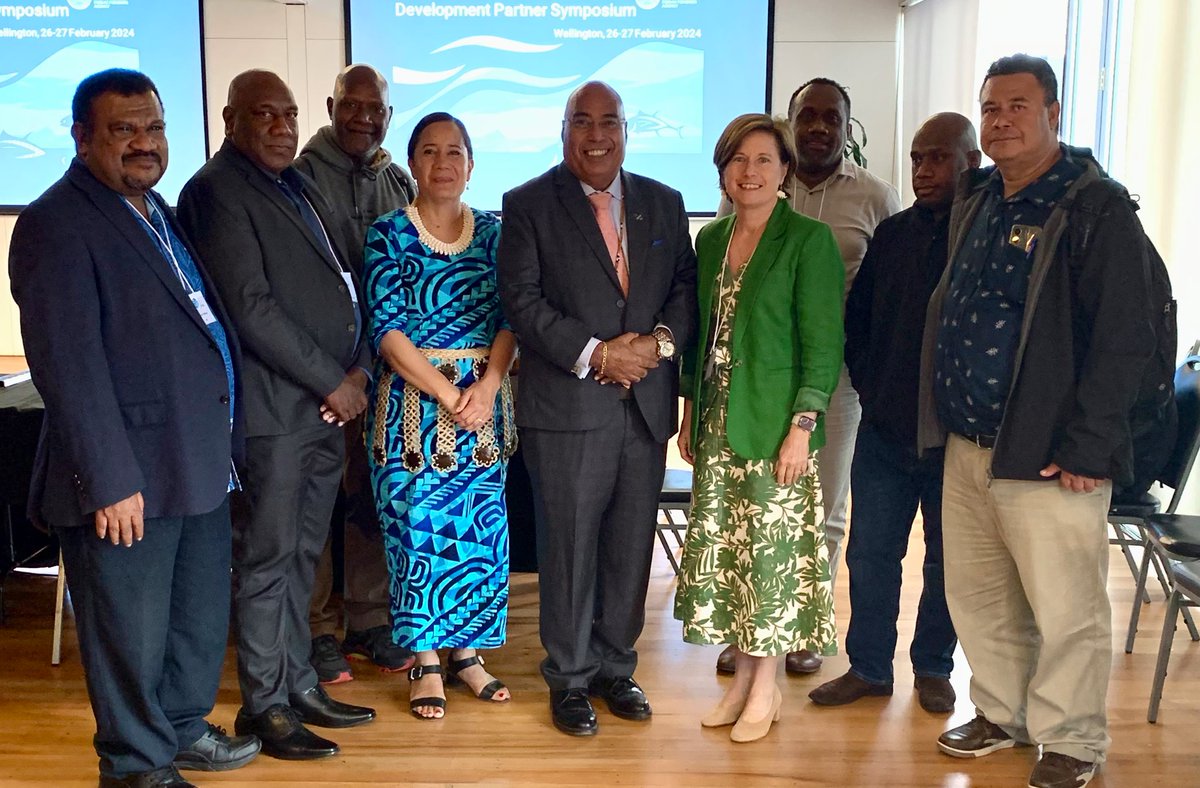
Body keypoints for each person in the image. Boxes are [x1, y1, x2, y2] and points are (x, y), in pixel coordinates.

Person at [8, 68, 260, 787]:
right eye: (125, 130)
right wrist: (110, 481)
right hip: (128, 479)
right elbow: (69, 367)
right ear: (82, 136)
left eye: (154, 128)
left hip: (195, 462)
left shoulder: (156, 210)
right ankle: (134, 764)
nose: (145, 144)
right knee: (129, 634)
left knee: (194, 623)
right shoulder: (56, 223)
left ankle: (179, 729)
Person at [918, 54, 1157, 788]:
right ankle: (1003, 711)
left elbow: (1127, 337)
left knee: (1067, 606)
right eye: (991, 108)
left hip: (1051, 453)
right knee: (980, 595)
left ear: (1054, 113)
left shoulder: (1095, 208)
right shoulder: (983, 196)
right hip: (968, 444)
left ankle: (1074, 739)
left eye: (1019, 106)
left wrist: (1091, 444)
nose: (1002, 120)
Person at [177, 70, 376, 761]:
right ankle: (264, 707)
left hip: (321, 409)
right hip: (274, 413)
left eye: (289, 113)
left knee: (302, 557)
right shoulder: (214, 192)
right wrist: (335, 380)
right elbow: (250, 307)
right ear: (230, 119)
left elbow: (343, 282)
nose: (281, 126)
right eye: (263, 114)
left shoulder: (296, 182)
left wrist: (357, 373)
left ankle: (297, 685)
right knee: (267, 560)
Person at [498, 81, 697, 736]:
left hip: (643, 408)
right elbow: (521, 302)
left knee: (629, 548)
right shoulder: (528, 204)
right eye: (581, 122)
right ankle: (570, 677)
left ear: (625, 130)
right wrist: (595, 354)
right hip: (567, 410)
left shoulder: (664, 204)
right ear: (563, 131)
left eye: (608, 121)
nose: (596, 135)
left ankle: (616, 667)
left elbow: (684, 291)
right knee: (570, 547)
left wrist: (655, 346)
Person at [715, 77, 900, 677]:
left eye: (832, 117)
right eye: (807, 116)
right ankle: (749, 624)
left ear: (848, 127)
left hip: (833, 377)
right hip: (755, 378)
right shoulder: (749, 191)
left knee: (822, 504)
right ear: (792, 124)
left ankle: (799, 629)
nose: (819, 126)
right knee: (750, 503)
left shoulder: (875, 197)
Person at [675, 113, 844, 743]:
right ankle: (743, 682)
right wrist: (691, 407)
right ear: (722, 169)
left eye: (764, 160)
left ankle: (767, 689)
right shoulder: (712, 240)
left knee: (772, 563)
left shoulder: (808, 240)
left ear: (785, 172)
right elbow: (702, 336)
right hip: (720, 424)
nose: (750, 171)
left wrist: (802, 427)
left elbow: (823, 346)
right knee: (731, 560)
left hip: (778, 431)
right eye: (738, 160)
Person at [809, 113, 980, 713]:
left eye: (937, 159)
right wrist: (872, 388)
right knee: (871, 553)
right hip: (883, 430)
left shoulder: (982, 234)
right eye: (916, 158)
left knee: (945, 559)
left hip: (954, 438)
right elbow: (859, 322)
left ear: (971, 162)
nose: (924, 171)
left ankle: (933, 667)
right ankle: (869, 667)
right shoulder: (895, 233)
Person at [362, 112, 516, 720]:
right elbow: (389, 333)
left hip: (485, 405)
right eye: (429, 151)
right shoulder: (387, 234)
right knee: (415, 535)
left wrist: (490, 383)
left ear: (471, 164)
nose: (444, 162)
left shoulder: (497, 234)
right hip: (411, 414)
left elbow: (513, 316)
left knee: (478, 536)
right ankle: (426, 660)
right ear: (412, 164)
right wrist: (451, 398)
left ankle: (468, 656)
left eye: (455, 151)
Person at [293, 63, 418, 685]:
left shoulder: (397, 181)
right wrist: (331, 375)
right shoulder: (297, 179)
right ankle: (317, 631)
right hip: (317, 381)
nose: (364, 118)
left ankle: (369, 619)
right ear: (331, 104)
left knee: (372, 500)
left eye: (377, 109)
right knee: (315, 504)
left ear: (388, 117)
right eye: (352, 105)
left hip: (385, 376)